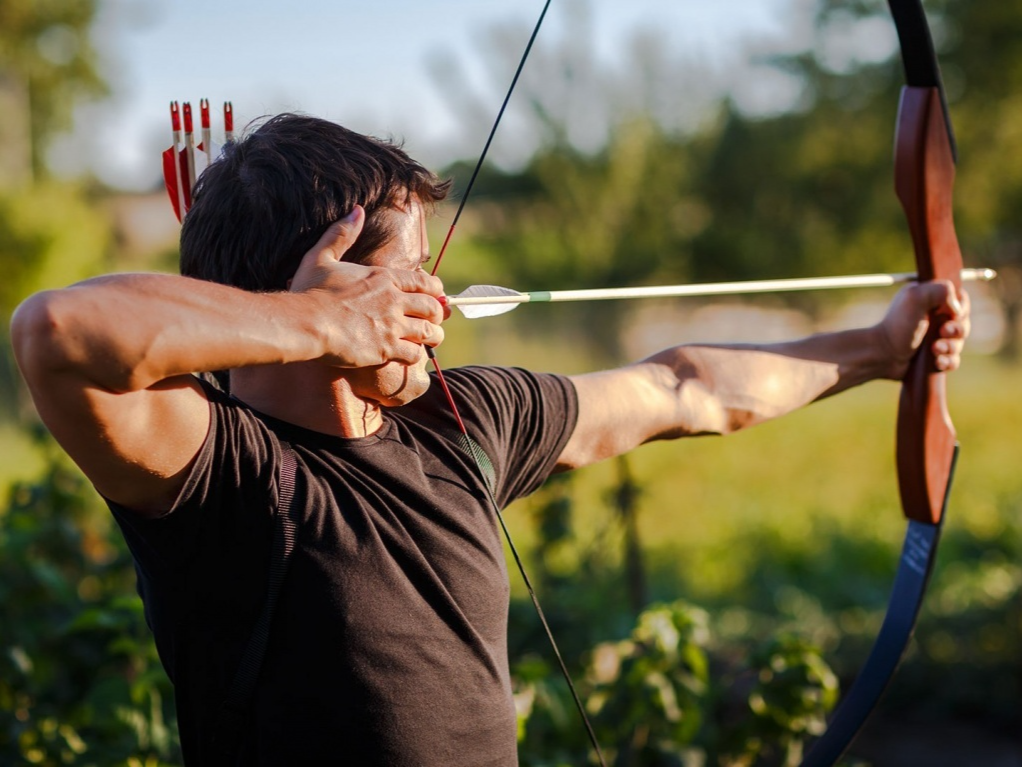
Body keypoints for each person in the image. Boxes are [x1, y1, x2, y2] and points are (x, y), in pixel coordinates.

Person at [10, 114, 969, 766]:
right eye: (409, 277)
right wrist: (324, 328)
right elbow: (56, 333)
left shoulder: (466, 421)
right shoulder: (221, 472)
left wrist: (881, 349)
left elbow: (687, 388)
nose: (437, 304)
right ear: (326, 290)